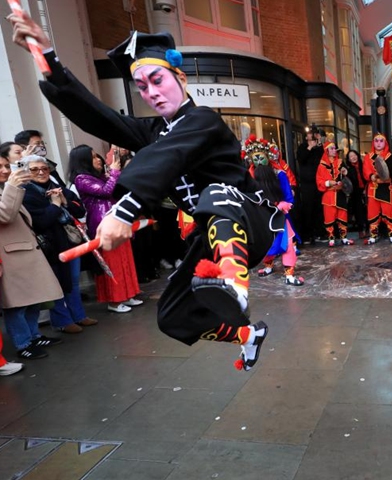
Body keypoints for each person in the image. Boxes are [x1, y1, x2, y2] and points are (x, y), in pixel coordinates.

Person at [10, 15, 283, 371]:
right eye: (142, 86)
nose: (151, 92)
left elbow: (170, 155)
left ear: (180, 78)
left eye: (158, 80)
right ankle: (248, 335)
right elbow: (100, 118)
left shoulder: (204, 120)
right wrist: (47, 56)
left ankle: (234, 285)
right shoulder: (155, 131)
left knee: (214, 193)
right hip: (211, 236)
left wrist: (124, 209)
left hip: (248, 220)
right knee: (172, 316)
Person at [1, 148, 64, 361]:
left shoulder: (6, 188)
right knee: (17, 305)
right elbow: (5, 215)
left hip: (25, 252)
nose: (4, 170)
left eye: (5, 166)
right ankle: (23, 343)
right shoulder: (9, 188)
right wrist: (12, 185)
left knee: (33, 299)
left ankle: (34, 336)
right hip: (10, 256)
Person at [22, 155, 96, 333]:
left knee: (74, 282)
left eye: (45, 168)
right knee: (57, 285)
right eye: (34, 169)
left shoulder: (57, 187)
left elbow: (79, 210)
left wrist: (64, 201)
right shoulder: (25, 193)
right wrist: (55, 205)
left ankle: (79, 316)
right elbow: (40, 222)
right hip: (49, 246)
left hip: (70, 242)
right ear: (26, 172)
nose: (41, 172)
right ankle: (62, 321)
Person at [70, 144, 143, 312]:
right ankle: (115, 301)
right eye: (94, 157)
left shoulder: (99, 176)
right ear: (84, 161)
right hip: (102, 224)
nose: (98, 159)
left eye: (97, 156)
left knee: (125, 260)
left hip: (116, 219)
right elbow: (105, 191)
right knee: (113, 263)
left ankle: (128, 295)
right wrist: (115, 172)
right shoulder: (81, 178)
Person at [244, 137, 303, 286]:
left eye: (261, 157)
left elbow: (289, 198)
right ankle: (268, 266)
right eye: (255, 158)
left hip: (279, 214)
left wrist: (281, 206)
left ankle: (289, 274)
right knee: (264, 243)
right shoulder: (249, 177)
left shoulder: (279, 174)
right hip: (261, 215)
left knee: (287, 242)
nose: (258, 160)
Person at [317, 142, 354, 247]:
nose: (334, 150)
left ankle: (344, 238)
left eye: (335, 148)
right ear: (326, 151)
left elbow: (349, 177)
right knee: (329, 218)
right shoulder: (321, 165)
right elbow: (319, 181)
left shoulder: (340, 162)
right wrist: (329, 183)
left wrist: (345, 171)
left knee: (343, 217)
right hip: (328, 195)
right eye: (332, 148)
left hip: (340, 194)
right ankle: (331, 238)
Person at [362, 134, 392, 244]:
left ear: (385, 143)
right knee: (373, 212)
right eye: (376, 141)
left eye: (381, 141)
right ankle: (373, 235)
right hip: (373, 188)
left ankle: (391, 234)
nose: (378, 143)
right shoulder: (368, 157)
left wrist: (384, 175)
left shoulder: (390, 157)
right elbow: (366, 170)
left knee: (389, 211)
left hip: (387, 188)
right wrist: (371, 176)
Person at [295, 128, 324, 244]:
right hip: (307, 183)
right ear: (306, 137)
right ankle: (307, 234)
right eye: (310, 135)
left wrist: (319, 144)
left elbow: (323, 159)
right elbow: (301, 159)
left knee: (318, 208)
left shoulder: (319, 148)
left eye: (314, 135)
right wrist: (309, 147)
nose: (312, 137)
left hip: (318, 181)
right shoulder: (302, 147)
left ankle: (319, 233)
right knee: (308, 208)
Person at [344, 149, 368, 239]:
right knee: (359, 212)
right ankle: (361, 230)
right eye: (351, 157)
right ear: (348, 159)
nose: (353, 157)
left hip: (366, 189)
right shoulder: (348, 169)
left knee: (368, 211)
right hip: (355, 193)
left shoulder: (364, 165)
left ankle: (369, 229)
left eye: (354, 155)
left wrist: (366, 189)